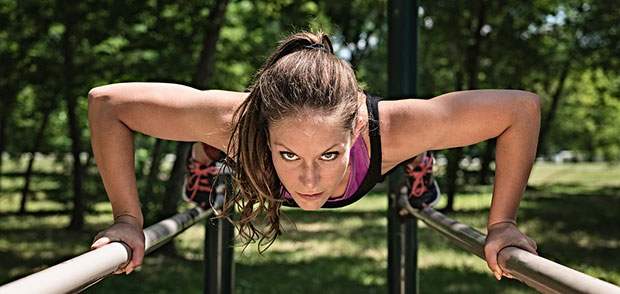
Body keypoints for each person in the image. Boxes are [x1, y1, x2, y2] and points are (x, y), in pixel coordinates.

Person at [88, 31, 539, 281]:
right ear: (265, 135)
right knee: (216, 136)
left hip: (389, 147)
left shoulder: (393, 128)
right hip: (236, 139)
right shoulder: (235, 121)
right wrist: (127, 217)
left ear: (356, 131)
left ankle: (415, 161)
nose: (307, 181)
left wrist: (502, 224)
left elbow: (521, 109)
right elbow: (107, 104)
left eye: (328, 155)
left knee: (416, 140)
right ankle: (207, 156)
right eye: (288, 154)